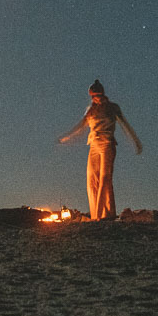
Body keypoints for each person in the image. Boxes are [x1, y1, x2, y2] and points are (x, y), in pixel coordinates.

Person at [57, 80, 142, 220]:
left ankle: (104, 215)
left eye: (96, 95)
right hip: (94, 146)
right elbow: (80, 126)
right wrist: (66, 137)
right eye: (92, 96)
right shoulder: (91, 109)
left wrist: (135, 141)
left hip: (107, 145)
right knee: (92, 179)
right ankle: (96, 213)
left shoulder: (113, 108)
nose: (95, 98)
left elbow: (125, 125)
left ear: (101, 94)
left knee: (104, 179)